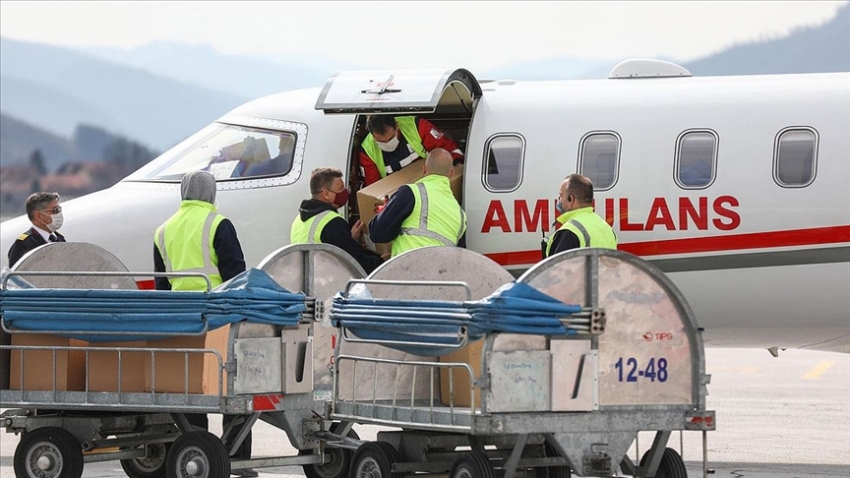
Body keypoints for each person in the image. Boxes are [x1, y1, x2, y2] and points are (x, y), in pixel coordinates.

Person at [152, 170, 256, 477]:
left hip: (180, 318)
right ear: (212, 193)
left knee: (190, 386)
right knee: (233, 384)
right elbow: (237, 275)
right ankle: (237, 458)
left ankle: (194, 446)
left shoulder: (162, 230)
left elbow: (161, 285)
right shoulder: (218, 223)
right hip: (218, 315)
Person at [369, 148, 467, 257]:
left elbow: (378, 234)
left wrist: (385, 211)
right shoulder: (461, 216)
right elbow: (459, 260)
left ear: (424, 169)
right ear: (451, 173)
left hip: (409, 268)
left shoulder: (412, 192)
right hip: (441, 272)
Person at [291, 167, 386, 273]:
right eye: (341, 188)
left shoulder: (299, 219)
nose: (346, 191)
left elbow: (329, 246)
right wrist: (383, 261)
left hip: (312, 282)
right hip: (330, 283)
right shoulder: (332, 222)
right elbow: (357, 264)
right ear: (326, 194)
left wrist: (350, 239)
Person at [359, 115, 463, 186]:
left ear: (397, 126)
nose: (387, 143)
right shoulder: (367, 150)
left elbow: (446, 147)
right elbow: (374, 187)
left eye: (391, 138)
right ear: (372, 136)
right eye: (381, 141)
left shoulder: (416, 126)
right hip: (396, 193)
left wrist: (458, 163)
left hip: (429, 182)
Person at [544, 173, 617, 258]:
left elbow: (559, 269)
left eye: (561, 196)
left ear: (571, 199)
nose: (559, 200)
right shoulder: (606, 228)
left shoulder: (569, 232)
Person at [7, 192, 66, 267]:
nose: (59, 214)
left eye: (59, 210)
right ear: (39, 215)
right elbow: (16, 276)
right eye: (55, 210)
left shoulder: (60, 239)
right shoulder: (23, 244)